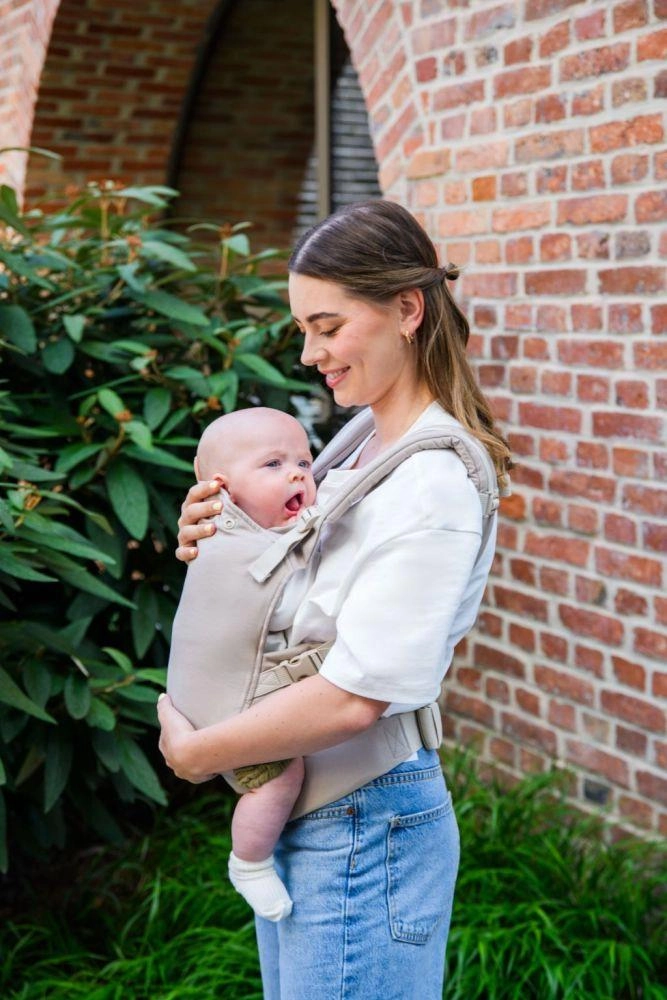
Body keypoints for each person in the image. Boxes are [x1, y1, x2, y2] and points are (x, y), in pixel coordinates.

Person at [158, 199, 512, 1000]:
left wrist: (198, 754)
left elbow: (358, 695)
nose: (309, 353)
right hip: (319, 814)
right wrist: (220, 538)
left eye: (327, 327)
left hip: (363, 822)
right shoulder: (357, 442)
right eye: (303, 329)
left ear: (407, 311)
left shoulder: (433, 481)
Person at [168, 407, 317, 922]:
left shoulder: (247, 534)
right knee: (281, 776)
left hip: (200, 695)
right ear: (222, 489)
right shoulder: (234, 547)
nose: (297, 474)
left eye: (304, 462)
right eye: (273, 464)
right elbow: (296, 605)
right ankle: (249, 861)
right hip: (221, 704)